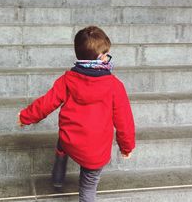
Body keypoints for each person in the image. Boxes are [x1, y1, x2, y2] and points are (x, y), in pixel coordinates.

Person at [17, 26, 135, 202]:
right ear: (100, 58)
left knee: (63, 141)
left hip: (70, 139)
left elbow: (46, 103)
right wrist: (126, 147)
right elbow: (124, 121)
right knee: (88, 189)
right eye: (105, 54)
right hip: (95, 149)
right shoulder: (114, 86)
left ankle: (57, 176)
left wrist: (25, 117)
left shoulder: (67, 79)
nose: (107, 57)